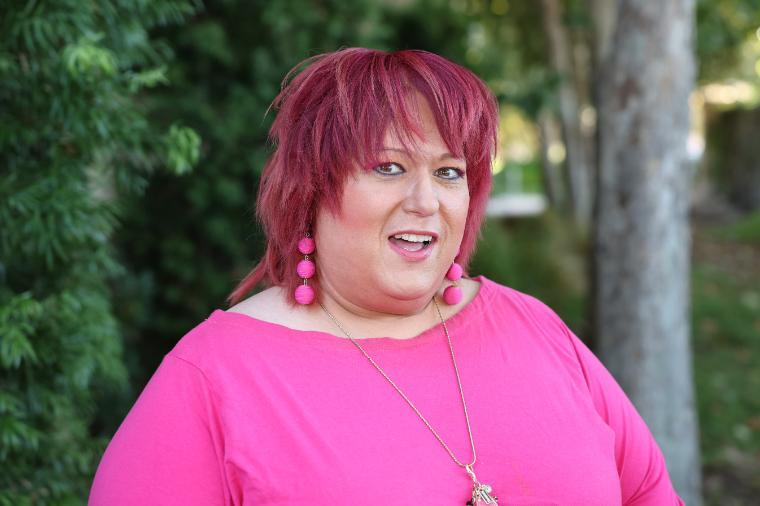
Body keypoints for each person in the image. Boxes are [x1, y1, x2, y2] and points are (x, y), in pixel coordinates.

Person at [89, 47, 684, 505]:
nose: (426, 200)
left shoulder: (533, 326)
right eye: (388, 166)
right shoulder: (211, 377)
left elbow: (648, 490)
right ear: (312, 188)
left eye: (450, 172)